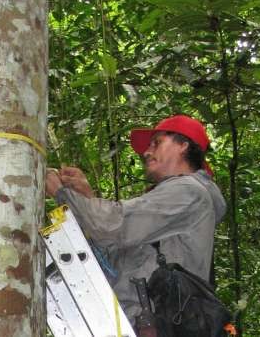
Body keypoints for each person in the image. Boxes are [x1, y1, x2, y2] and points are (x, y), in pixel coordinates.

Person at [45, 114, 227, 322]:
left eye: (156, 143)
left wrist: (62, 193)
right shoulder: (175, 199)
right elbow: (116, 254)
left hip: (154, 325)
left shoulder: (189, 192)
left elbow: (112, 225)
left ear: (183, 145)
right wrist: (87, 198)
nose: (147, 152)